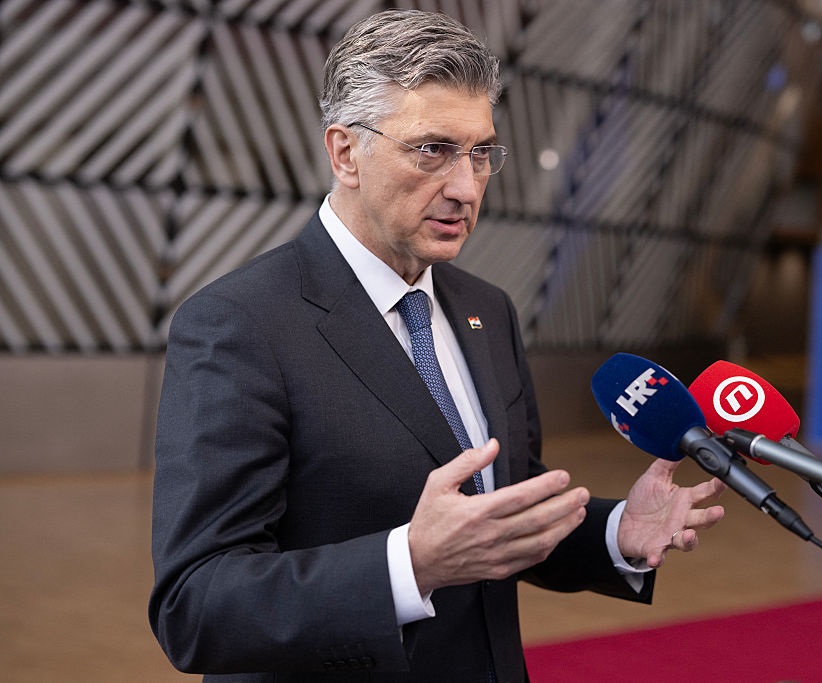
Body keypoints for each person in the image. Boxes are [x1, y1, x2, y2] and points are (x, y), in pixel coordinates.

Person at [149, 9, 726, 682]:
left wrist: (615, 531)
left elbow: (502, 512)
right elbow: (196, 605)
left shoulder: (488, 310)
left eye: (481, 153)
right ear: (345, 153)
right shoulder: (239, 324)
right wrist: (410, 565)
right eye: (432, 150)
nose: (465, 186)